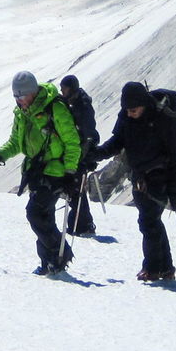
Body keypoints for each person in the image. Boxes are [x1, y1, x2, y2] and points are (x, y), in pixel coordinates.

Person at [0, 71, 82, 274]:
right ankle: (49, 263)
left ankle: (59, 255)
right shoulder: (21, 114)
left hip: (56, 171)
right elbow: (16, 143)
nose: (20, 101)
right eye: (16, 97)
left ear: (34, 92)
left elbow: (72, 142)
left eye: (23, 96)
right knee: (44, 217)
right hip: (36, 171)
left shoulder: (54, 108)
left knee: (35, 213)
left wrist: (71, 172)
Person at [88, 82, 176, 282]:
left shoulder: (164, 120)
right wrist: (95, 154)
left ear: (143, 104)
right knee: (152, 222)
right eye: (127, 110)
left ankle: (152, 269)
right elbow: (117, 142)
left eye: (133, 110)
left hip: (160, 176)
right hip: (140, 177)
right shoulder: (126, 116)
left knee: (148, 222)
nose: (130, 114)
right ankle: (166, 269)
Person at [58, 74, 100, 236]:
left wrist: (86, 153)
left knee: (76, 190)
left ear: (71, 88)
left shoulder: (82, 105)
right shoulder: (74, 102)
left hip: (80, 154)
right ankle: (81, 224)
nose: (62, 91)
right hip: (77, 152)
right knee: (76, 191)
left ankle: (82, 225)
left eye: (64, 88)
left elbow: (88, 132)